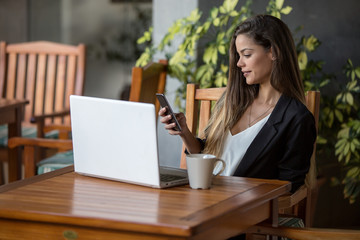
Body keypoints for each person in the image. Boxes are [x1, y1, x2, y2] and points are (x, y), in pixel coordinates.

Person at [159, 14, 316, 193]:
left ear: (274, 52)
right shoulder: (232, 101)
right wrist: (184, 132)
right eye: (239, 56)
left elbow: (288, 187)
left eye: (247, 54)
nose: (239, 63)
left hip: (241, 210)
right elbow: (207, 155)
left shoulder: (296, 118)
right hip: (202, 197)